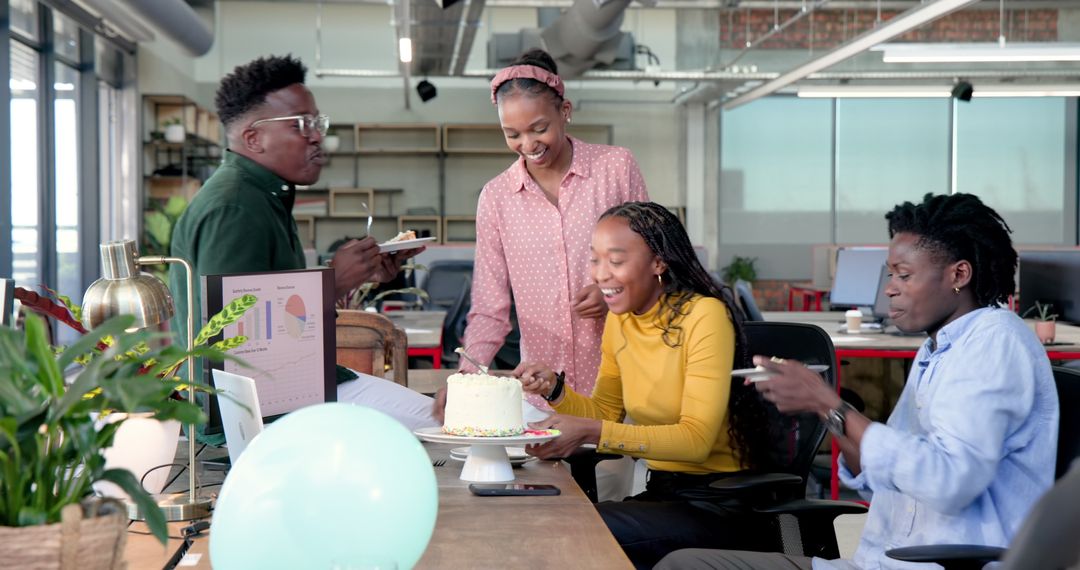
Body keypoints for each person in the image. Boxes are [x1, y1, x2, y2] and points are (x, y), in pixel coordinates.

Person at [655, 193, 1060, 570]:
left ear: (959, 274)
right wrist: (822, 409)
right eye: (891, 274)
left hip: (931, 564)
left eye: (904, 275)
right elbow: (885, 474)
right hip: (880, 561)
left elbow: (949, 481)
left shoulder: (996, 342)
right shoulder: (938, 348)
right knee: (683, 562)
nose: (890, 289)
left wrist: (832, 405)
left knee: (683, 566)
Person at [170, 55, 435, 432]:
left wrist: (359, 276)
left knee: (438, 418)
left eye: (316, 122)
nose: (316, 135)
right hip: (263, 411)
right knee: (440, 422)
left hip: (290, 393)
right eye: (301, 124)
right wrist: (333, 281)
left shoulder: (262, 196)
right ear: (253, 138)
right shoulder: (236, 208)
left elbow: (278, 315)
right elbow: (235, 341)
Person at [513, 202, 776, 569]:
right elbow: (605, 412)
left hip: (719, 503)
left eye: (616, 261)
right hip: (662, 493)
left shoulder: (704, 316)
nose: (601, 275)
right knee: (549, 515)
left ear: (658, 262)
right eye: (594, 260)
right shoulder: (621, 320)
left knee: (570, 528)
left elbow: (696, 440)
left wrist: (590, 431)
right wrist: (555, 390)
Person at [457, 48, 650, 405]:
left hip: (625, 384)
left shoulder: (615, 168)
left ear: (565, 112)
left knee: (618, 462)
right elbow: (489, 308)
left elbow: (657, 261)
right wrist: (464, 381)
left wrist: (615, 294)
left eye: (539, 129)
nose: (527, 145)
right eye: (511, 134)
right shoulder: (497, 198)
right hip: (543, 395)